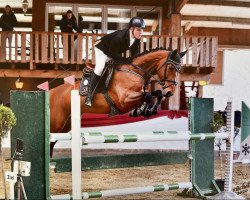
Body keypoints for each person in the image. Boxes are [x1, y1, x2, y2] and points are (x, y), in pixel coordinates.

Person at [84, 17, 145, 106]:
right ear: (131, 29)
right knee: (100, 68)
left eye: (142, 30)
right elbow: (112, 53)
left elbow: (134, 55)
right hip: (102, 49)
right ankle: (89, 96)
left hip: (112, 51)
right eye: (139, 30)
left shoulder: (136, 38)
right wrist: (126, 60)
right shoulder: (119, 37)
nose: (141, 32)